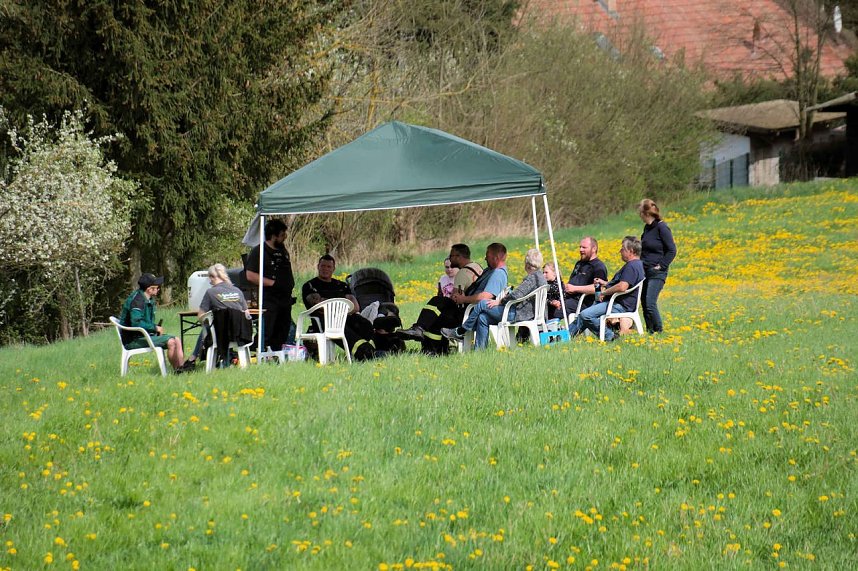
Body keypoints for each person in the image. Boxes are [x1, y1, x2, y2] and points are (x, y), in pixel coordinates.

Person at [443, 248, 543, 349]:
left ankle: (461, 331)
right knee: (483, 317)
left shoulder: (532, 278)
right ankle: (480, 351)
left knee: (482, 303)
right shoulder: (540, 276)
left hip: (519, 313)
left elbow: (516, 295)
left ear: (526, 264)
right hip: (525, 313)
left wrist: (500, 301)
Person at [397, 244, 483, 345]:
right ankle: (420, 329)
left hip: (465, 316)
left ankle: (429, 343)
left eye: (451, 256)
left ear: (458, 257)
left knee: (433, 315)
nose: (450, 259)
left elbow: (455, 299)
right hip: (476, 311)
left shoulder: (462, 274)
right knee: (435, 308)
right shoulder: (477, 267)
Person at [568, 236, 645, 342]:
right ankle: (566, 336)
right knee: (583, 315)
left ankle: (610, 336)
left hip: (620, 305)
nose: (620, 251)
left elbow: (622, 286)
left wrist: (604, 293)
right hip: (617, 303)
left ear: (631, 251)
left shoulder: (632, 266)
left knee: (586, 315)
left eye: (623, 248)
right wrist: (605, 283)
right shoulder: (637, 264)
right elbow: (623, 283)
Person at [301, 255, 376, 360]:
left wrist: (330, 304)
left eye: (329, 267)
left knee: (365, 324)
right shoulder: (310, 285)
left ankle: (373, 349)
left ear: (333, 269)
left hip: (345, 317)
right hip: (324, 320)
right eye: (323, 266)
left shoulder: (341, 285)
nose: (325, 269)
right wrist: (342, 307)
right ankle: (363, 352)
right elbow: (319, 306)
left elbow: (355, 307)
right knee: (341, 327)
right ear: (318, 267)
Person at [182, 264, 251, 370]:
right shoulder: (237, 291)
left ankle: (193, 358)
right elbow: (246, 313)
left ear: (212, 277)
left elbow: (201, 316)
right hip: (240, 334)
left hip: (221, 335)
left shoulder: (211, 292)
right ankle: (227, 358)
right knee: (212, 326)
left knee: (207, 326)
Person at [118, 273, 185, 372]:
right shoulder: (137, 301)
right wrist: (155, 328)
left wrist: (154, 328)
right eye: (157, 287)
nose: (159, 289)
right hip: (133, 340)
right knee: (171, 342)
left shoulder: (147, 298)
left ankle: (182, 368)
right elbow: (136, 323)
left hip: (143, 335)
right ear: (149, 289)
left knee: (177, 340)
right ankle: (177, 371)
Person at [246, 219, 295, 352]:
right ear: (273, 236)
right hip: (269, 299)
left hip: (285, 299)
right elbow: (250, 275)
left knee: (283, 330)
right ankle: (259, 352)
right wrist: (273, 283)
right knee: (268, 330)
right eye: (282, 234)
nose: (285, 237)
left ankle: (277, 354)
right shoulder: (259, 252)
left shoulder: (283, 251)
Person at [638, 198, 676, 334]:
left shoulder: (662, 227)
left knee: (650, 303)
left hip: (657, 273)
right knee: (644, 303)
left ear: (645, 213)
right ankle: (650, 332)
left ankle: (659, 331)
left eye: (640, 212)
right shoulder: (647, 228)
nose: (639, 215)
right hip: (645, 271)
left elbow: (672, 250)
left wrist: (661, 266)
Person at [558, 236, 608, 319]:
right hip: (569, 298)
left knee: (557, 309)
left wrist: (575, 288)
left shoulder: (598, 267)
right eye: (580, 247)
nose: (580, 250)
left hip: (584, 303)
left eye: (584, 247)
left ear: (594, 249)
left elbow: (598, 289)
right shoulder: (579, 264)